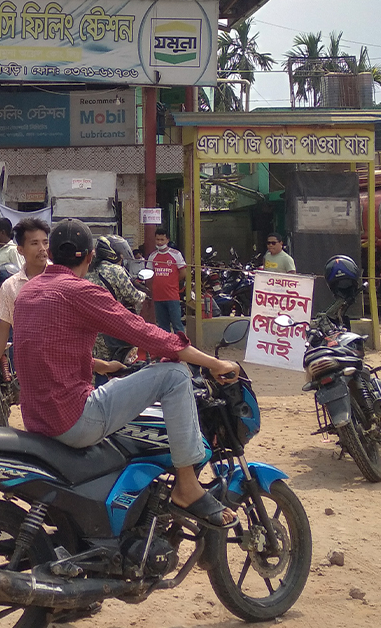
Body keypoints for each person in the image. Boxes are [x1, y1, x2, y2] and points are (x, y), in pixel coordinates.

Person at [13, 219, 240, 526]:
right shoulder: (81, 291)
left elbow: (46, 351)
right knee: (174, 375)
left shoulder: (28, 292)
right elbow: (148, 334)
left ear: (50, 254)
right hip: (73, 418)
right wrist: (216, 364)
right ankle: (187, 486)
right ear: (90, 256)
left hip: (37, 418)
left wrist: (103, 366)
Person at [0, 217, 51, 400]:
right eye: (34, 243)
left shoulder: (63, 279)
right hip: (28, 367)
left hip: (60, 364)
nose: (42, 248)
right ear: (21, 250)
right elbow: (2, 330)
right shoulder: (10, 286)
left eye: (45, 242)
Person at [87, 235, 146, 366]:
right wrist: (143, 294)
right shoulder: (116, 270)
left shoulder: (88, 269)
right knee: (120, 367)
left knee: (98, 367)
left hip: (91, 328)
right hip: (113, 326)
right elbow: (133, 297)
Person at [146, 227, 187, 333]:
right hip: (158, 297)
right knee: (163, 327)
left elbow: (183, 273)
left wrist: (171, 281)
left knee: (177, 324)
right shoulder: (152, 256)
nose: (159, 242)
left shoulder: (176, 254)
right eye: (157, 240)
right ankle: (166, 349)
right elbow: (149, 274)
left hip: (172, 296)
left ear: (167, 240)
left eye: (162, 240)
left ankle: (182, 347)